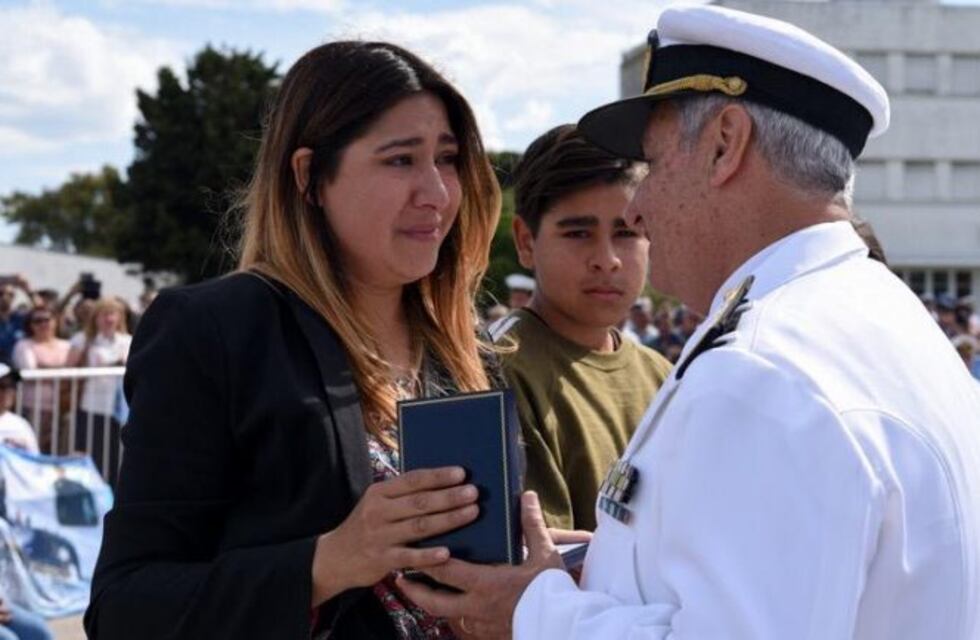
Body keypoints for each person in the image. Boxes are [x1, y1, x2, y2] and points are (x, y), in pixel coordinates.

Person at [398, 6, 980, 639]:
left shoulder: (766, 371)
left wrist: (531, 613)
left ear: (725, 143)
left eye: (653, 163)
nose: (640, 208)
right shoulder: (878, 317)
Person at [85, 41, 503, 639]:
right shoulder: (216, 330)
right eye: (400, 160)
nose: (436, 192)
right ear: (310, 177)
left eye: (448, 158)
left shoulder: (467, 346)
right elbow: (125, 609)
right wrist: (327, 562)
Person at [489, 124, 671, 531]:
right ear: (525, 241)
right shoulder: (497, 368)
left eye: (626, 233)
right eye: (578, 234)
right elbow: (538, 564)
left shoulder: (664, 375)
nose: (607, 260)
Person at [66, 298, 132, 486]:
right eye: (104, 314)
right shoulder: (83, 340)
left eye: (113, 314)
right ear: (95, 317)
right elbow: (69, 369)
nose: (109, 319)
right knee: (91, 453)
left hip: (120, 410)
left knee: (116, 457)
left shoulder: (128, 341)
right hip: (92, 406)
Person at [11, 307, 70, 452]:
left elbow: (71, 374)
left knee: (59, 448)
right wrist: (60, 371)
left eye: (47, 319)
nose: (43, 324)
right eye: (37, 321)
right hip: (33, 406)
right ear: (30, 325)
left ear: (55, 322)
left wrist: (44, 367)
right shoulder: (23, 345)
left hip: (62, 407)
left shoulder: (67, 345)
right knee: (34, 448)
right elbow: (30, 372)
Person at [0, 365, 39, 454]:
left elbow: (35, 463)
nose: (8, 391)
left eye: (12, 386)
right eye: (2, 386)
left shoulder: (21, 425)